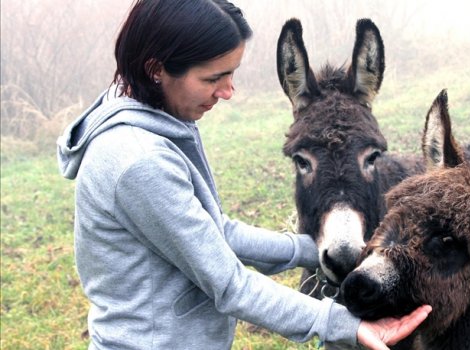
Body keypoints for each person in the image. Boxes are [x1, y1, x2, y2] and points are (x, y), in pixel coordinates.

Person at [56, 1, 431, 349]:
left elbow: (216, 231)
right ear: (157, 70)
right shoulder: (139, 161)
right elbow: (231, 286)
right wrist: (346, 325)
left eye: (231, 74)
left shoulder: (156, 121)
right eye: (212, 78)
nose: (228, 92)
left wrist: (310, 249)